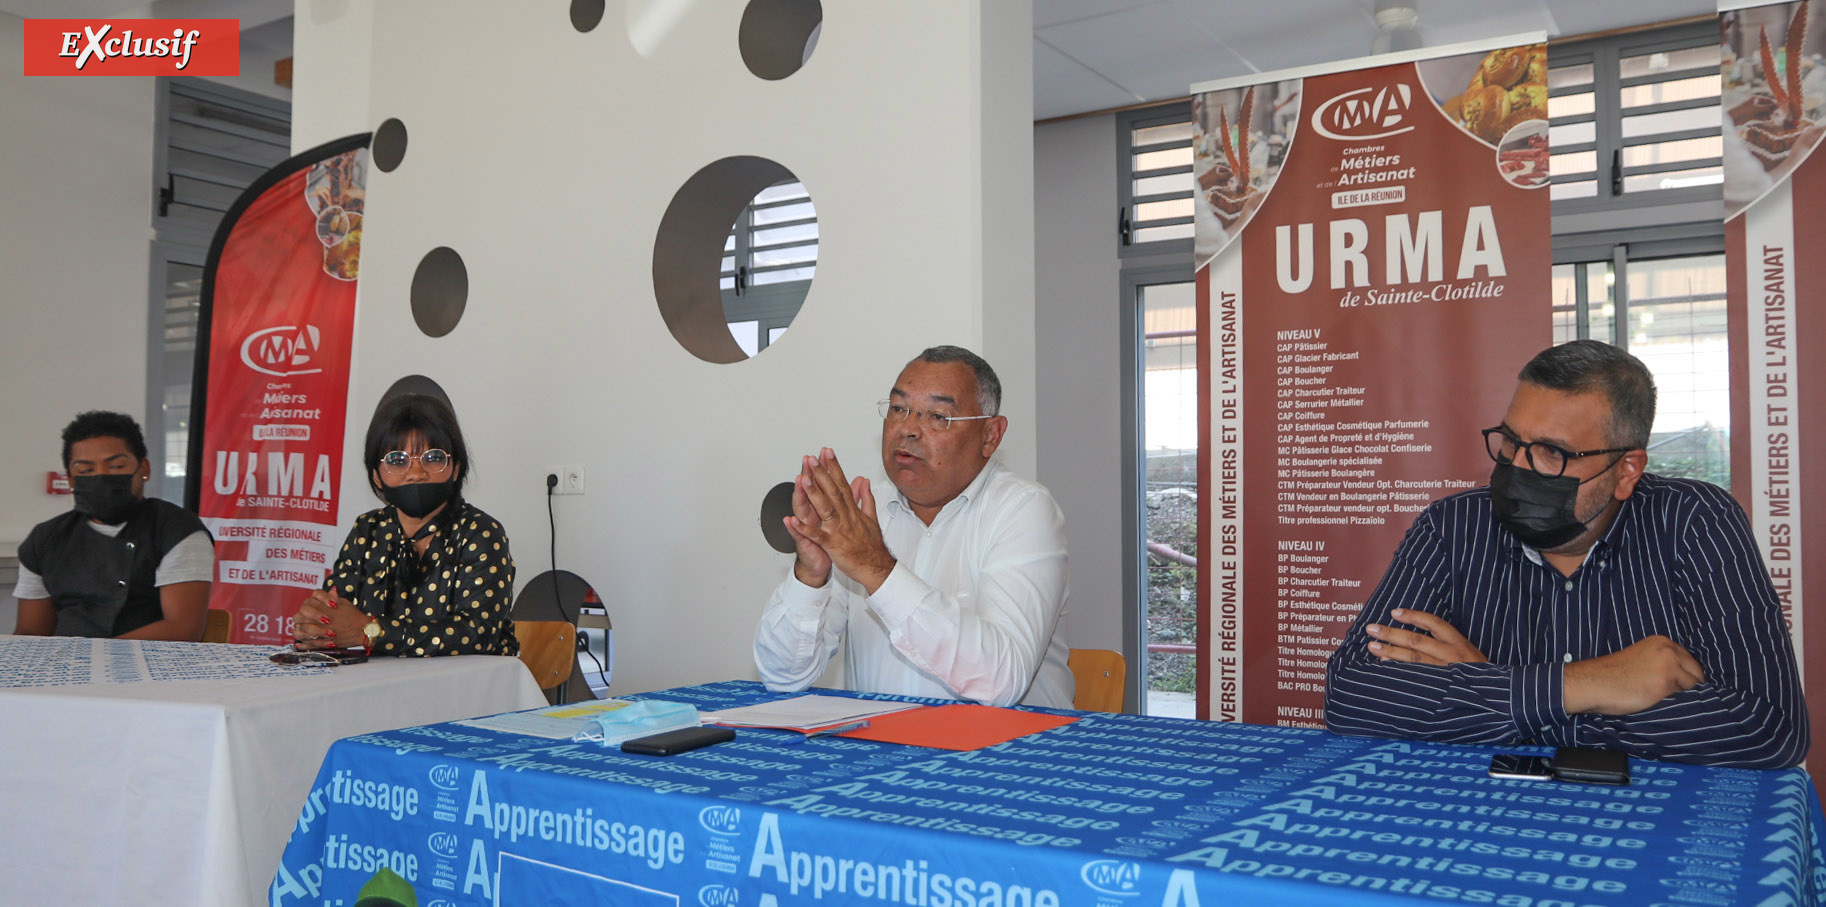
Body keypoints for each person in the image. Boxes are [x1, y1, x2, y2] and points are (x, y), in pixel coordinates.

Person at [1325, 340, 1807, 769]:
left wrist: (1491, 692)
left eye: (1552, 453)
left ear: (1626, 470)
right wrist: (1582, 685)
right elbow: (1351, 697)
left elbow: (1770, 728)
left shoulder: (1695, 522)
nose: (1518, 468)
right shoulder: (1451, 527)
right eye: (1512, 441)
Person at [753, 345, 1073, 708]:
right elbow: (782, 675)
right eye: (898, 409)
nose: (907, 429)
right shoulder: (861, 517)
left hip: (1006, 755)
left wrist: (876, 568)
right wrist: (811, 573)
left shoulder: (1024, 510)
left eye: (938, 416)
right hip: (882, 752)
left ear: (990, 435)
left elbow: (1001, 681)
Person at [290, 394, 517, 656]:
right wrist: (317, 625)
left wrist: (372, 632)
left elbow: (477, 635)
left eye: (433, 458)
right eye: (397, 460)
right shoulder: (368, 529)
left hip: (469, 688)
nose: (417, 472)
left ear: (455, 468)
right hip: (380, 687)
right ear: (376, 475)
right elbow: (338, 613)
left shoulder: (480, 533)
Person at [14, 411, 213, 640]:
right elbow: (31, 634)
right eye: (86, 471)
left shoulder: (177, 530)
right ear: (71, 480)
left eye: (117, 466)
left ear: (144, 469)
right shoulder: (45, 539)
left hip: (151, 666)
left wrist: (91, 659)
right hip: (64, 666)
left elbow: (182, 630)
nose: (101, 477)